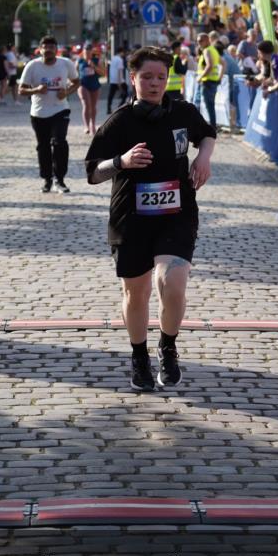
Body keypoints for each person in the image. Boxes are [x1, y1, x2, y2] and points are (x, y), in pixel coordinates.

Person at [85, 46, 216, 392]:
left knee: (172, 283)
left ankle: (168, 346)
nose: (155, 84)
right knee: (136, 293)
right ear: (133, 79)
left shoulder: (183, 112)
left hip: (177, 213)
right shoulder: (119, 122)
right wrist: (121, 162)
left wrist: (203, 158)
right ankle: (139, 356)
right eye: (147, 77)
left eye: (161, 77)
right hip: (131, 217)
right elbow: (92, 172)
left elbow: (207, 134)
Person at [19, 35, 79, 193]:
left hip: (60, 109)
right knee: (43, 146)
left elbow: (76, 82)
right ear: (40, 49)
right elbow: (21, 90)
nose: (48, 50)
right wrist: (36, 90)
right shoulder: (32, 66)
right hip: (38, 112)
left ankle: (60, 180)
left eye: (52, 47)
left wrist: (66, 92)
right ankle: (47, 179)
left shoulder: (66, 64)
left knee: (60, 142)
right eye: (45, 47)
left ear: (56, 49)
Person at [77, 42, 105, 136]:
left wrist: (94, 66)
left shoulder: (97, 60)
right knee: (86, 104)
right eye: (86, 50)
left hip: (94, 85)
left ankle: (92, 124)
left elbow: (103, 73)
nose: (87, 52)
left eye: (89, 50)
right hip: (83, 85)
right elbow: (73, 73)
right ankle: (86, 126)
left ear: (92, 51)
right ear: (83, 51)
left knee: (93, 106)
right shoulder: (79, 61)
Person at [196, 31, 221, 128]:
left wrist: (200, 77)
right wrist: (219, 77)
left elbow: (209, 65)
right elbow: (223, 64)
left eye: (201, 41)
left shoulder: (207, 51)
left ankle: (212, 127)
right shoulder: (213, 50)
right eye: (198, 41)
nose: (199, 43)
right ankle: (213, 126)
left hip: (207, 82)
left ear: (207, 40)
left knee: (209, 106)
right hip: (213, 81)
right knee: (210, 106)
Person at [165, 39, 188, 104]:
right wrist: (186, 62)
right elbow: (182, 71)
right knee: (180, 107)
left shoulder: (169, 57)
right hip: (174, 88)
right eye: (180, 48)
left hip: (168, 87)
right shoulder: (176, 58)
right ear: (176, 48)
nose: (180, 50)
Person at [107, 47, 127, 115]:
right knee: (125, 93)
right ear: (121, 52)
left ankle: (108, 109)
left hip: (113, 80)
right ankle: (120, 107)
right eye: (123, 53)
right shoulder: (120, 60)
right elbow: (119, 71)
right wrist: (119, 82)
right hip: (119, 80)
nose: (124, 54)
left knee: (111, 95)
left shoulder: (113, 58)